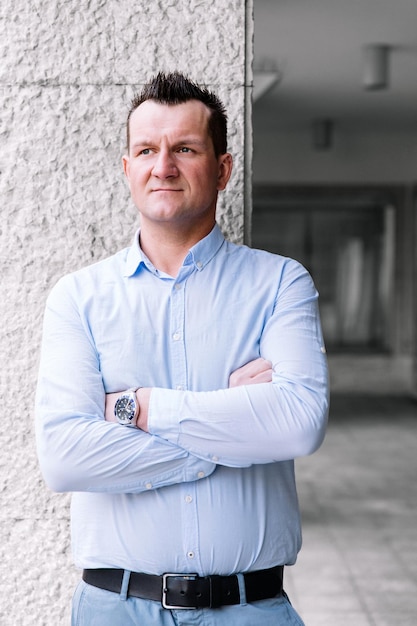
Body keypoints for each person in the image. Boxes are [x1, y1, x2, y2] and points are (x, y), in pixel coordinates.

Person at [35, 71, 329, 626]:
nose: (163, 166)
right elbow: (65, 456)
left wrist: (141, 408)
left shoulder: (280, 284)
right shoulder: (78, 298)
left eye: (185, 148)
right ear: (128, 169)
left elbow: (298, 422)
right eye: (147, 149)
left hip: (251, 610)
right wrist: (230, 427)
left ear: (222, 168)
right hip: (115, 611)